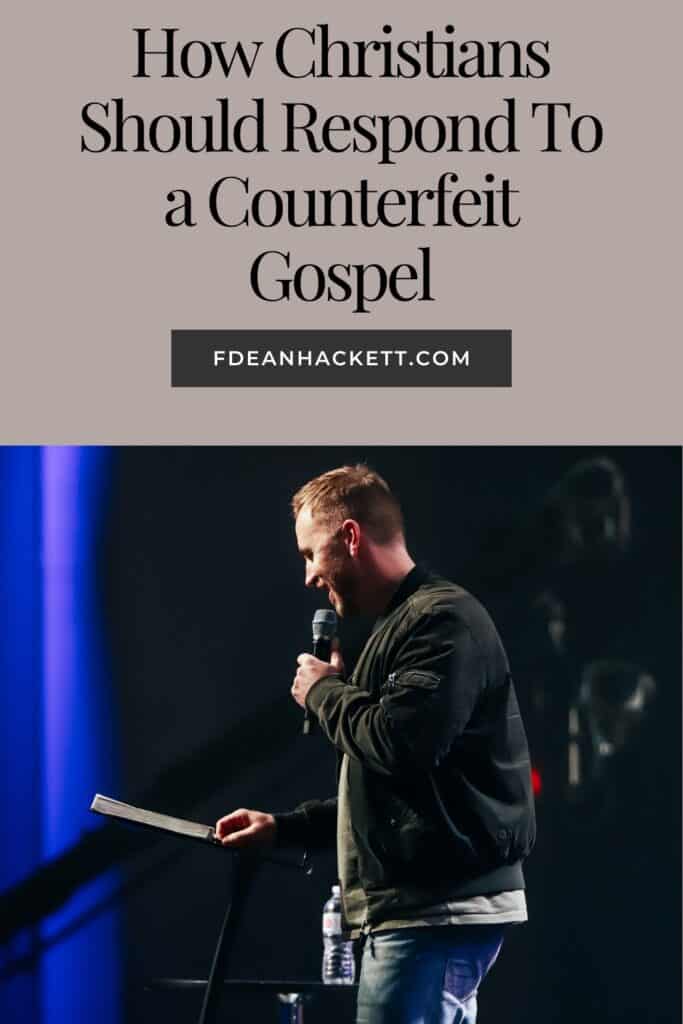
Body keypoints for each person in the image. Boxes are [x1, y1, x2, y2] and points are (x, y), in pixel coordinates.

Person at [216, 465, 536, 1024]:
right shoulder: (404, 627)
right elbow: (398, 796)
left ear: (350, 537)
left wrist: (324, 691)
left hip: (434, 911)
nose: (310, 576)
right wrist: (283, 829)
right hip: (423, 912)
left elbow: (400, 745)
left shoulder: (440, 620)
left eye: (311, 554)